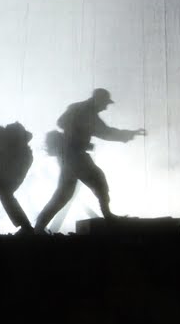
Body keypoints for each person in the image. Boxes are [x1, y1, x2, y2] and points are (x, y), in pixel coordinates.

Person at [34, 88, 146, 233]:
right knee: (98, 181)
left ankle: (39, 227)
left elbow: (64, 123)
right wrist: (129, 134)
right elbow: (105, 132)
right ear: (98, 100)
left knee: (64, 194)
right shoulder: (86, 113)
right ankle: (108, 216)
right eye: (105, 103)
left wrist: (129, 134)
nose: (105, 107)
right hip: (75, 156)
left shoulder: (82, 111)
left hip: (70, 156)